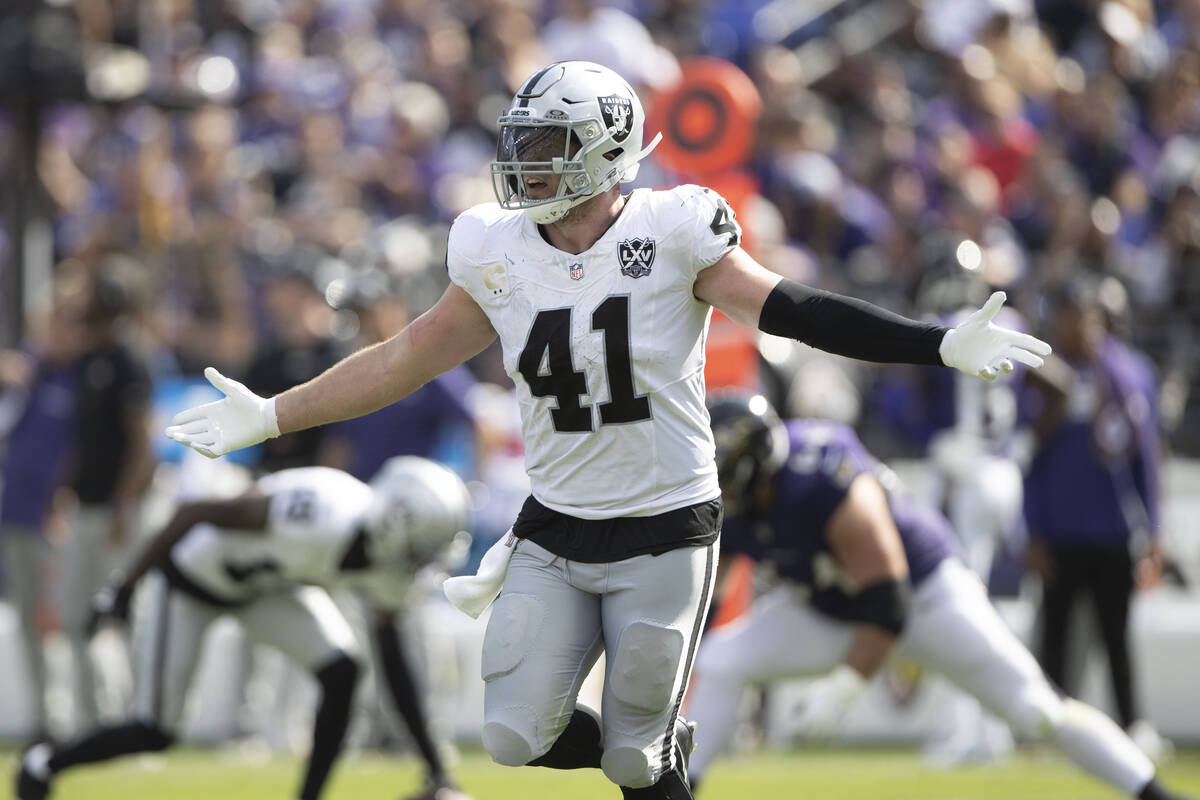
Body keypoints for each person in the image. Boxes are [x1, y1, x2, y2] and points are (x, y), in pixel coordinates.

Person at [162, 61, 1050, 799]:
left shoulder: (674, 230)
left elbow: (793, 311)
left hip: (668, 520)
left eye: (548, 145)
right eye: (523, 143)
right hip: (557, 521)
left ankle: (655, 749)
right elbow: (402, 360)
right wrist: (274, 415)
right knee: (514, 735)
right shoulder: (495, 247)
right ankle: (664, 746)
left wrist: (935, 343)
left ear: (607, 148)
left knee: (633, 755)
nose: (528, 163)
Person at [683, 392, 1187, 800]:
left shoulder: (821, 476)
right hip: (832, 609)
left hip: (925, 595)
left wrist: (844, 687)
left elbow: (890, 599)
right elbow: (711, 591)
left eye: (726, 476)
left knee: (1036, 710)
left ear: (754, 471)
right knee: (724, 659)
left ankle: (1156, 794)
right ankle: (682, 792)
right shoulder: (739, 499)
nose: (718, 488)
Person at [14, 456, 474, 800]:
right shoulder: (319, 510)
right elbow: (192, 512)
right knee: (153, 731)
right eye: (418, 550)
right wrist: (124, 587)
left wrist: (438, 774)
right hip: (192, 581)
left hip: (266, 589)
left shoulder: (389, 566)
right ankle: (46, 760)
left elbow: (393, 665)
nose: (418, 565)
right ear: (395, 524)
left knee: (343, 671)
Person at [1024, 278, 1169, 760]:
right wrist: (1034, 530)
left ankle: (1132, 723)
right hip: (1061, 530)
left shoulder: (1129, 373)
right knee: (1055, 639)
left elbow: (1145, 459)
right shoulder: (1045, 374)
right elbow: (1032, 460)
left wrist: (1155, 529)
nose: (1077, 327)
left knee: (1116, 636)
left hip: (1111, 528)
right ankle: (1049, 729)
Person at [59, 272, 155, 733]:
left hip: (118, 510)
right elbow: (81, 441)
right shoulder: (85, 360)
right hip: (85, 505)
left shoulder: (128, 361)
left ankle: (142, 716)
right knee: (78, 614)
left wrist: (125, 503)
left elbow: (142, 443)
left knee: (127, 614)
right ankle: (89, 719)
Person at [0, 294, 83, 742]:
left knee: (65, 618)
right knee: (29, 621)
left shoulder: (78, 380)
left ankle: (80, 716)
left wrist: (62, 501)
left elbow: (78, 452)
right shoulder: (28, 373)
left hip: (54, 519)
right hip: (15, 513)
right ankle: (45, 718)